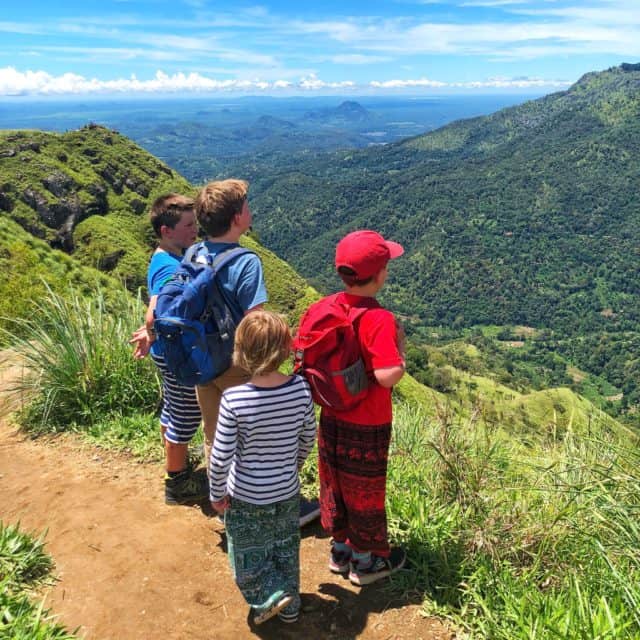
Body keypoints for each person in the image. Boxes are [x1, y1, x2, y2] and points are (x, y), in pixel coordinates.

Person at [209, 311, 316, 625]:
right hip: (286, 490)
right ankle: (291, 606)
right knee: (285, 548)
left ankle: (271, 596)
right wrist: (292, 466)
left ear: (240, 351)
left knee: (246, 555)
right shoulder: (299, 389)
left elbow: (220, 457)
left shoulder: (234, 399)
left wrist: (216, 495)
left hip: (246, 495)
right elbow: (308, 435)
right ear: (285, 349)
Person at [318, 229, 407, 586]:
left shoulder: (325, 307)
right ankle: (366, 562)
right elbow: (387, 376)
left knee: (335, 482)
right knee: (365, 489)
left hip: (331, 414)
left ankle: (340, 551)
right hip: (368, 421)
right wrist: (400, 353)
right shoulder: (378, 319)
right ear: (381, 273)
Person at [130, 193, 208, 505]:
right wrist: (150, 329)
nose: (195, 230)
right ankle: (178, 482)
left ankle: (175, 461)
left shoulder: (169, 257)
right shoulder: (167, 267)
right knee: (186, 415)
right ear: (167, 231)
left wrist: (151, 334)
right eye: (189, 225)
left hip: (167, 350)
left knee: (174, 407)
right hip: (177, 354)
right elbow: (156, 312)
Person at [192, 179, 268, 464]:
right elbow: (255, 322)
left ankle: (220, 498)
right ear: (237, 218)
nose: (250, 210)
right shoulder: (247, 262)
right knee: (251, 437)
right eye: (246, 206)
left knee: (213, 433)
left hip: (200, 357)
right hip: (235, 363)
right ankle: (252, 502)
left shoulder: (193, 253)